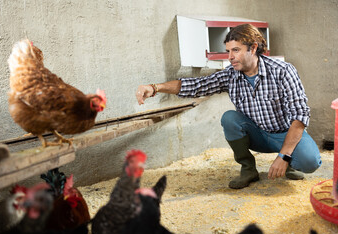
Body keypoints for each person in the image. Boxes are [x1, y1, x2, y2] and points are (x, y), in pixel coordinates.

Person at [135, 24, 322, 189]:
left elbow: (300, 115)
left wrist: (284, 156)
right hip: (257, 133)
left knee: (310, 162)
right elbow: (196, 85)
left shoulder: (283, 71)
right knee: (230, 118)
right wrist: (155, 88)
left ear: (253, 48)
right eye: (228, 51)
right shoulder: (230, 74)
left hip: (284, 133)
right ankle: (248, 169)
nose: (230, 57)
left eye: (236, 50)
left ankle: (290, 164)